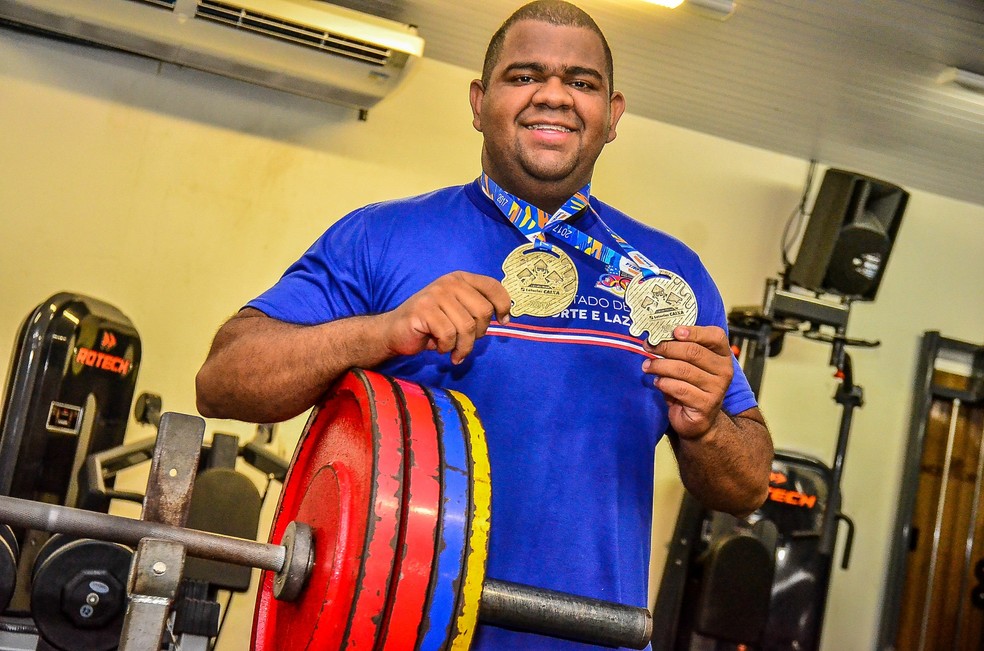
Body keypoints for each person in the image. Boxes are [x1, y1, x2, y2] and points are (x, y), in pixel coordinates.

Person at [196, 1, 773, 648]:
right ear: (478, 102)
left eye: (581, 83)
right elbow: (222, 379)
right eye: (524, 76)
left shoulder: (673, 274)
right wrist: (382, 331)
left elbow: (748, 481)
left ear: (612, 116)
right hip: (388, 635)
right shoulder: (381, 237)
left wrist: (705, 425)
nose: (553, 96)